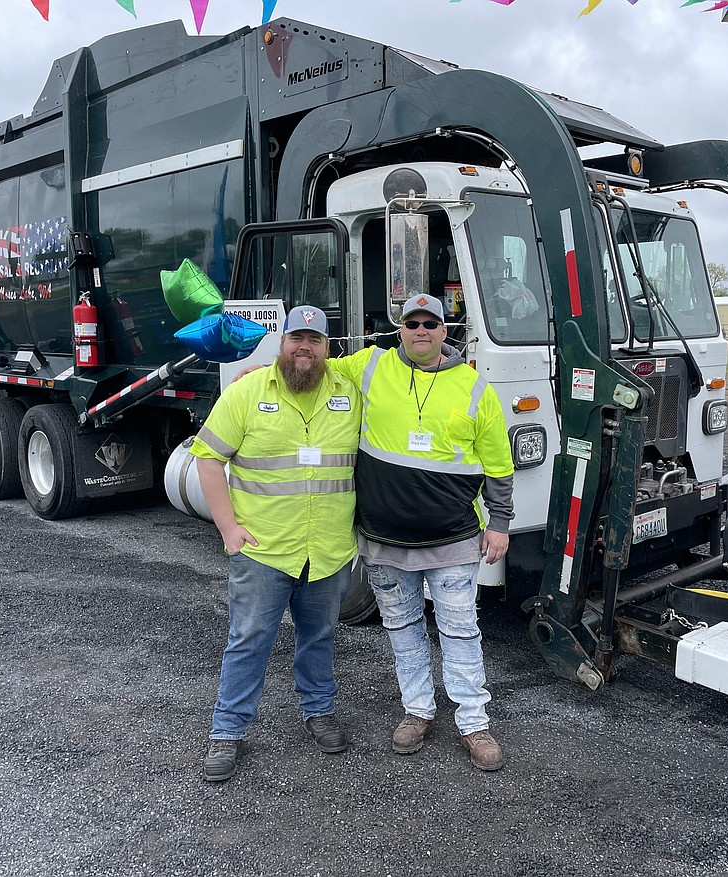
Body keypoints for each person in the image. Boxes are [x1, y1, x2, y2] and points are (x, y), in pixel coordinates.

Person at [327, 293, 514, 771]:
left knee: (459, 632)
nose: (421, 331)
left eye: (431, 323)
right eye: (412, 323)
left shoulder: (474, 387)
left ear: (444, 331)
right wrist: (257, 375)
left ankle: (474, 723)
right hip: (384, 540)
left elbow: (498, 464)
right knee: (403, 630)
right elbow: (313, 368)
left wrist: (500, 523)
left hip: (452, 539)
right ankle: (418, 712)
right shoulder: (369, 366)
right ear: (400, 329)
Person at [190, 305, 362, 782]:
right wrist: (228, 529)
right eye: (295, 339)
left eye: (314, 340)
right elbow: (207, 458)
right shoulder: (248, 391)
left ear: (328, 348)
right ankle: (227, 733)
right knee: (249, 639)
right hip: (263, 549)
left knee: (321, 637)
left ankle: (319, 712)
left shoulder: (350, 393)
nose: (303, 348)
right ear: (281, 342)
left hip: (327, 549)